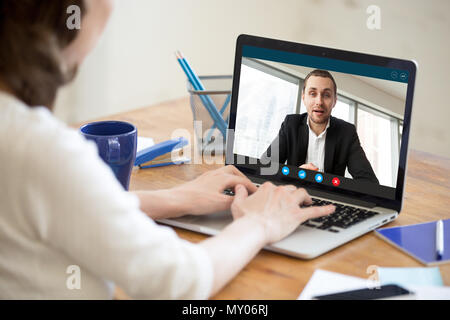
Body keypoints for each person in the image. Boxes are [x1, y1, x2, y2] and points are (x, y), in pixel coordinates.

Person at [0, 0, 335, 299]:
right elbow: (177, 281)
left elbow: (53, 205)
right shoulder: (39, 150)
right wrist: (259, 223)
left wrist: (172, 198)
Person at [263, 69, 379, 184]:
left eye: (326, 95)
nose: (319, 101)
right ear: (304, 97)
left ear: (334, 101)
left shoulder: (347, 132)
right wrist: (295, 175)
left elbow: (370, 183)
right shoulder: (291, 124)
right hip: (293, 196)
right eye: (313, 94)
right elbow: (264, 168)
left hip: (330, 199)